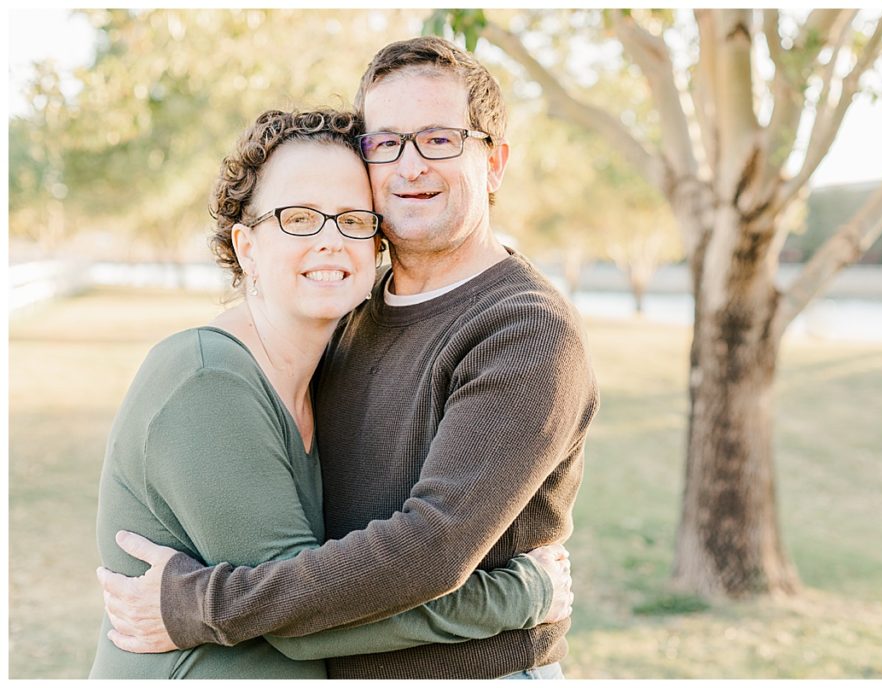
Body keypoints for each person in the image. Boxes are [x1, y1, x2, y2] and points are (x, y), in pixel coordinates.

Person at [98, 36, 599, 680]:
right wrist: (519, 594)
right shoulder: (351, 316)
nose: (410, 165)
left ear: (494, 162)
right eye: (385, 143)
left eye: (440, 139)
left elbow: (431, 548)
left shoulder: (524, 329)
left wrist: (203, 602)